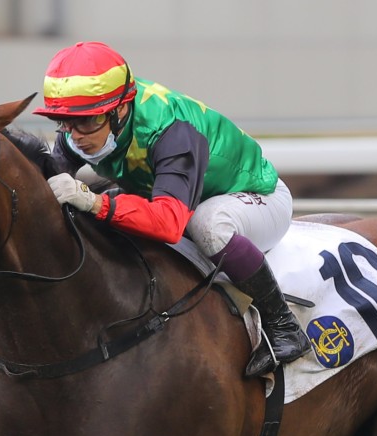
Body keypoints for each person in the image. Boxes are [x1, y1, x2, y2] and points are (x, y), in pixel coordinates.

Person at [34, 41, 308, 378]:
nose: (74, 137)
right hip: (176, 193)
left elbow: (168, 224)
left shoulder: (170, 130)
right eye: (62, 122)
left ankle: (284, 325)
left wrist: (94, 201)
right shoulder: (86, 123)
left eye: (86, 122)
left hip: (255, 196)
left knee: (207, 225)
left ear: (120, 110)